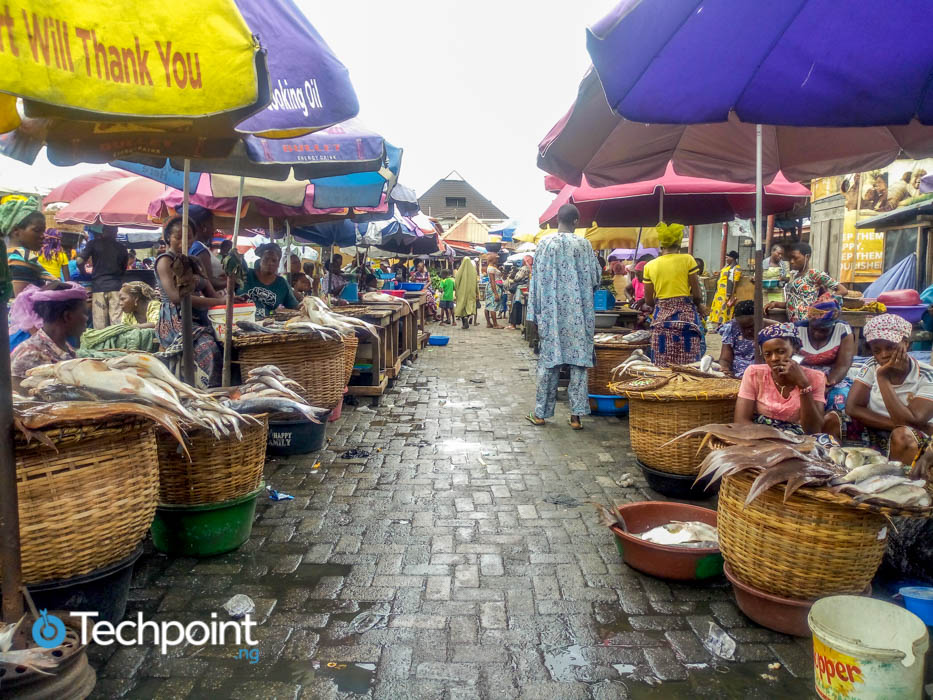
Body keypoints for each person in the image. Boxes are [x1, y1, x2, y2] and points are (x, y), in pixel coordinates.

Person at [526, 204, 601, 430]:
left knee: (549, 364)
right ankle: (576, 418)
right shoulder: (584, 245)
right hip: (579, 315)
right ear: (576, 222)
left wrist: (534, 316)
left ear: (557, 220)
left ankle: (540, 414)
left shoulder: (544, 245)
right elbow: (596, 278)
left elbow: (535, 282)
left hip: (552, 316)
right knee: (579, 365)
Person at [846, 314, 933, 464]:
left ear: (906, 344)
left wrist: (882, 378)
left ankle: (900, 481)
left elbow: (910, 425)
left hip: (910, 436)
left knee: (902, 436)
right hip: (875, 428)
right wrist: (896, 424)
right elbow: (852, 408)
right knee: (834, 420)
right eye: (877, 350)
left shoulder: (927, 375)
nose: (883, 355)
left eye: (890, 347)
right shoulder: (872, 364)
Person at [155, 216, 224, 388]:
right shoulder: (165, 261)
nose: (183, 241)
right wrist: (217, 300)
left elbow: (212, 293)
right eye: (178, 237)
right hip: (175, 320)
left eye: (189, 236)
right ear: (168, 237)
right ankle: (209, 394)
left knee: (230, 344)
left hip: (201, 318)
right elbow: (177, 297)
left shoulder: (195, 262)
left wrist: (228, 300)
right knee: (210, 350)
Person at [735, 323, 837, 438]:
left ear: (796, 350)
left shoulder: (816, 378)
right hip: (762, 437)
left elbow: (813, 430)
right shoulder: (754, 373)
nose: (774, 358)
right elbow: (741, 421)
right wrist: (775, 438)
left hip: (799, 439)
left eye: (781, 351)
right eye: (768, 354)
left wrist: (804, 385)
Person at [642, 223, 706, 367]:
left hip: (661, 319)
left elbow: (649, 300)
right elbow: (696, 294)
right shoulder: (688, 259)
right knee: (689, 366)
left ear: (661, 245)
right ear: (678, 244)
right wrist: (699, 305)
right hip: (686, 318)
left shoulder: (649, 266)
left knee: (662, 363)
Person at [10, 282, 88, 385]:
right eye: (84, 313)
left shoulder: (63, 346)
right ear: (67, 316)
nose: (86, 319)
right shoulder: (31, 356)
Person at [797, 300, 856, 417]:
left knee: (839, 398)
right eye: (814, 329)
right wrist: (804, 383)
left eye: (824, 330)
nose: (818, 333)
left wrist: (827, 384)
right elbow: (794, 359)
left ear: (833, 324)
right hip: (802, 375)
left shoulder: (843, 330)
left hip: (832, 377)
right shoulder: (797, 330)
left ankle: (832, 428)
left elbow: (843, 365)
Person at [766, 242, 848, 322]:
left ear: (807, 257)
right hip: (795, 325)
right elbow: (794, 303)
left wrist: (823, 302)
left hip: (808, 323)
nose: (791, 261)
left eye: (795, 258)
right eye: (790, 258)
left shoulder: (814, 274)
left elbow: (843, 290)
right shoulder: (794, 276)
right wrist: (776, 304)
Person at [77, 224, 129, 329]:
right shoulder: (122, 248)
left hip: (98, 287)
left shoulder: (93, 244)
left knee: (100, 325)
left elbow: (79, 261)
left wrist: (84, 273)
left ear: (103, 231)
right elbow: (124, 269)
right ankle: (117, 344)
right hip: (116, 287)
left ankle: (103, 346)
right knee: (117, 324)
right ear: (116, 232)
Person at [2, 196, 54, 297]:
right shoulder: (18, 258)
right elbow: (23, 303)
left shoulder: (9, 254)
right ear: (16, 230)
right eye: (37, 230)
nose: (43, 236)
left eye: (43, 231)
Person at [240, 243, 300, 319]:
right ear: (260, 260)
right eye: (266, 259)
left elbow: (294, 307)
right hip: (240, 321)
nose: (270, 263)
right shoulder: (245, 275)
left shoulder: (282, 284)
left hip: (266, 325)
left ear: (278, 263)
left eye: (274, 260)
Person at [187, 206, 225, 290]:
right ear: (203, 226)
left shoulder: (195, 246)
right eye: (211, 224)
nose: (213, 229)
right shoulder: (199, 248)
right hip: (216, 300)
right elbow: (209, 282)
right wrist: (232, 281)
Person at [718, 300, 756, 378]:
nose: (747, 331)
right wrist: (725, 369)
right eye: (743, 327)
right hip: (736, 376)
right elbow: (725, 359)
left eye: (751, 326)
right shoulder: (732, 328)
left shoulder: (768, 331)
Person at [707, 250, 741, 329]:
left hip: (727, 293)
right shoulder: (727, 267)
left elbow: (735, 282)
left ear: (732, 258)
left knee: (724, 310)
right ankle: (719, 326)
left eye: (727, 257)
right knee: (718, 309)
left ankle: (723, 326)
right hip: (720, 292)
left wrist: (732, 295)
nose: (726, 259)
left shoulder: (737, 268)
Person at [506, 255, 532, 329]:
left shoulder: (524, 268)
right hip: (527, 288)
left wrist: (513, 278)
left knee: (516, 305)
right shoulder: (531, 268)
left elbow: (517, 278)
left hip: (520, 289)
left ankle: (513, 324)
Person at [454, 257, 478, 330]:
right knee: (469, 305)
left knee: (461, 306)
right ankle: (467, 317)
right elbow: (476, 283)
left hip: (461, 292)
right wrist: (477, 292)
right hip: (471, 292)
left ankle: (464, 322)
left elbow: (456, 282)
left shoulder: (459, 272)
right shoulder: (474, 271)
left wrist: (456, 291)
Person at [483, 253, 502, 329]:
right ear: (493, 259)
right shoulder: (491, 268)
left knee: (488, 305)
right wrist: (496, 293)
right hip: (494, 287)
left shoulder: (492, 267)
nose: (497, 260)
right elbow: (492, 281)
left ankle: (489, 323)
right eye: (496, 258)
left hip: (492, 287)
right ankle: (495, 324)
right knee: (492, 305)